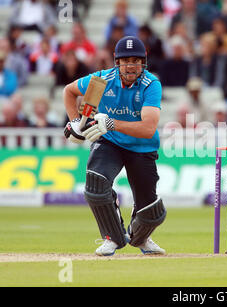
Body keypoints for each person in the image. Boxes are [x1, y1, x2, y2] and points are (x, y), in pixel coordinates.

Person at [63, 36, 166, 256]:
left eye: (136, 61)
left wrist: (111, 123)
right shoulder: (102, 80)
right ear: (116, 62)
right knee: (96, 183)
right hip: (110, 142)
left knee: (150, 211)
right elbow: (69, 92)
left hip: (142, 146)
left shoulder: (151, 84)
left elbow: (148, 129)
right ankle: (112, 237)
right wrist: (74, 123)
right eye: (125, 60)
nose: (131, 65)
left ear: (143, 62)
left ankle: (141, 238)